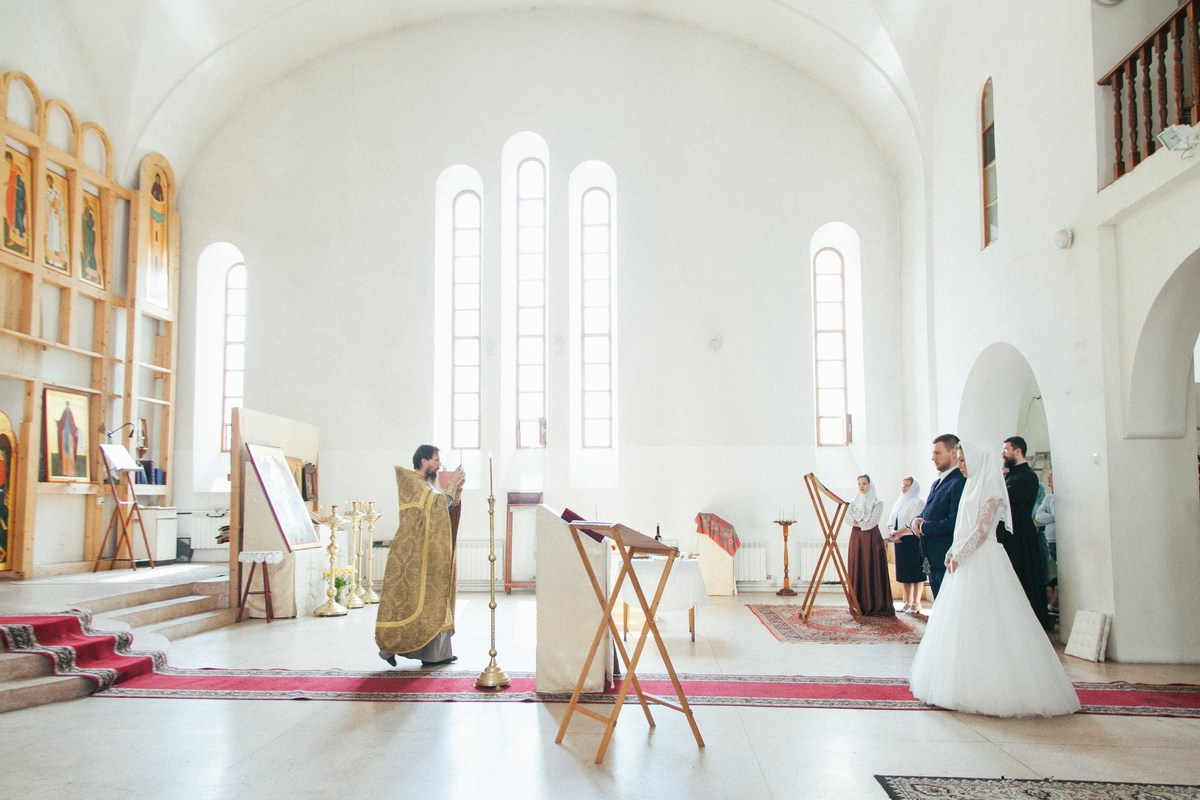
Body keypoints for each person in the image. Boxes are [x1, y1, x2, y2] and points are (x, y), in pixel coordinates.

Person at [909, 441, 1079, 717]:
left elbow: (981, 531)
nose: (960, 466)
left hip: (984, 559)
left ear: (977, 462)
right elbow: (962, 528)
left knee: (991, 622)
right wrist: (953, 550)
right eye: (959, 460)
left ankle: (993, 688)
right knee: (961, 625)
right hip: (965, 560)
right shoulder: (970, 487)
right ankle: (958, 683)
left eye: (963, 461)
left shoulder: (992, 491)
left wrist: (959, 554)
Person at [376, 445, 465, 667]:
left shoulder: (426, 485)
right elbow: (438, 505)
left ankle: (438, 654)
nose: (439, 464)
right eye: (436, 459)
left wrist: (456, 490)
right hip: (414, 555)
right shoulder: (412, 483)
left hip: (429, 554)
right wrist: (452, 484)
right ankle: (389, 648)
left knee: (434, 600)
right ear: (424, 460)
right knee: (409, 603)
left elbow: (441, 508)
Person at [1000, 436, 1051, 631]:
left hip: (1021, 535)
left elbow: (1007, 500)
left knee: (1024, 577)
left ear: (1018, 451)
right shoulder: (1011, 475)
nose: (1003, 454)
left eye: (1006, 449)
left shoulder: (1027, 476)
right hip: (1010, 534)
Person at [911, 434, 967, 598]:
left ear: (952, 453)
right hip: (931, 557)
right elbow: (928, 512)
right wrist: (915, 521)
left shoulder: (959, 482)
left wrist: (923, 526)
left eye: (937, 453)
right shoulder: (937, 482)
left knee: (949, 603)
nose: (932, 458)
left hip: (945, 556)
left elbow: (954, 521)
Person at [846, 474, 894, 616]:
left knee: (871, 566)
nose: (861, 486)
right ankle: (857, 604)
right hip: (856, 539)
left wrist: (858, 523)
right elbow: (847, 519)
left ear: (870, 484)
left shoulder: (878, 502)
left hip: (871, 538)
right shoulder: (853, 502)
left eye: (864, 483)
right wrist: (860, 523)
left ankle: (875, 605)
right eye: (859, 483)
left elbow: (872, 523)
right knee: (857, 566)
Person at [886, 477, 926, 614]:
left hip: (913, 540)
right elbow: (891, 521)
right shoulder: (898, 502)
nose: (904, 487)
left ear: (913, 487)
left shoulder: (918, 502)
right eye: (903, 484)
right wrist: (893, 532)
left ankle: (916, 603)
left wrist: (897, 533)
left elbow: (913, 522)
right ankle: (908, 602)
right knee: (905, 573)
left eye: (907, 485)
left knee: (916, 572)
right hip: (900, 542)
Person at [1035, 470, 1058, 616]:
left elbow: (1058, 513)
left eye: (1052, 476)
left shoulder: (1055, 498)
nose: (1049, 478)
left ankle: (1053, 605)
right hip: (1051, 541)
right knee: (1050, 580)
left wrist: (1053, 516)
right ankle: (1053, 606)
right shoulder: (1049, 497)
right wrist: (1054, 517)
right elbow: (1038, 516)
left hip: (1059, 541)